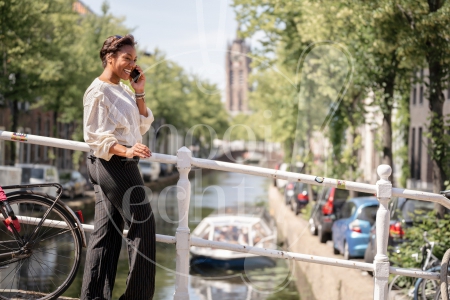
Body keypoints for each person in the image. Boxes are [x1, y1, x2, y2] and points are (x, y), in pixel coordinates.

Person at [81, 34, 155, 300]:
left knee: (105, 235)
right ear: (109, 58)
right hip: (115, 165)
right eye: (126, 58)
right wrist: (128, 150)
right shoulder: (98, 90)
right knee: (144, 225)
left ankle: (93, 297)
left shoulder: (122, 89)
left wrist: (139, 91)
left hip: (117, 163)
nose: (131, 65)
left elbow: (141, 124)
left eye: (134, 60)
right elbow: (95, 136)